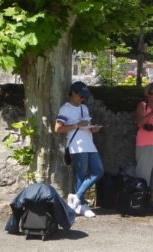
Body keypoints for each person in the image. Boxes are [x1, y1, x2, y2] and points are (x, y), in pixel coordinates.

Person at [55, 81, 103, 218]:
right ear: (73, 93)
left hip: (89, 144)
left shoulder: (84, 108)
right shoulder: (66, 109)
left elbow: (86, 126)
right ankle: (81, 205)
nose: (83, 98)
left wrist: (93, 129)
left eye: (84, 96)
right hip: (77, 145)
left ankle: (76, 198)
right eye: (81, 96)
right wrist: (76, 125)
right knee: (80, 175)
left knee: (98, 171)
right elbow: (58, 128)